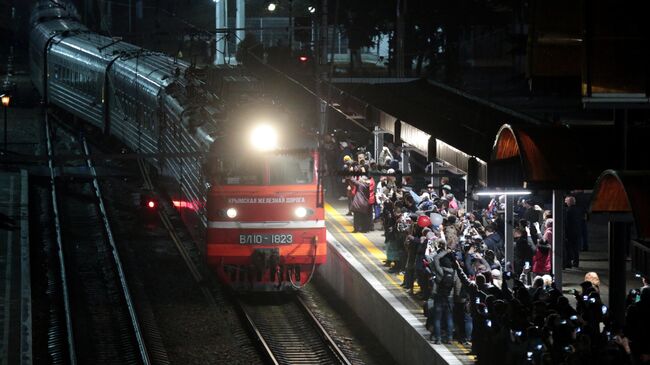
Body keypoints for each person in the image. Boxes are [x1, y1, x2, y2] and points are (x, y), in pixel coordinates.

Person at [565, 196, 583, 269]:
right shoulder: (578, 210)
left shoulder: (568, 210)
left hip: (570, 232)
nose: (565, 202)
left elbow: (567, 222)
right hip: (577, 231)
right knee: (575, 248)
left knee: (569, 247)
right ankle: (576, 262)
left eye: (566, 201)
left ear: (570, 202)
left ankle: (569, 262)